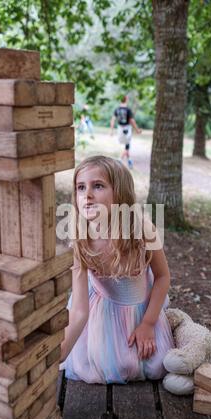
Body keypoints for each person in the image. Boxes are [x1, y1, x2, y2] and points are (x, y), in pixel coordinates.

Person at [59, 155, 174, 384]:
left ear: (119, 193)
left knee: (155, 363)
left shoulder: (142, 230)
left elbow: (162, 277)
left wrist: (148, 324)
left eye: (98, 186)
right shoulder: (81, 238)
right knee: (104, 365)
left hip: (140, 310)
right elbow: (80, 310)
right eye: (81, 187)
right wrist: (59, 354)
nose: (87, 195)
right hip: (101, 312)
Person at [110, 95, 142, 169]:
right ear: (126, 100)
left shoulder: (117, 109)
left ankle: (129, 161)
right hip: (127, 129)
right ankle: (119, 160)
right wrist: (137, 130)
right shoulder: (128, 109)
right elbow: (132, 121)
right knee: (127, 147)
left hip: (120, 129)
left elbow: (113, 120)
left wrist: (111, 130)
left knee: (127, 145)